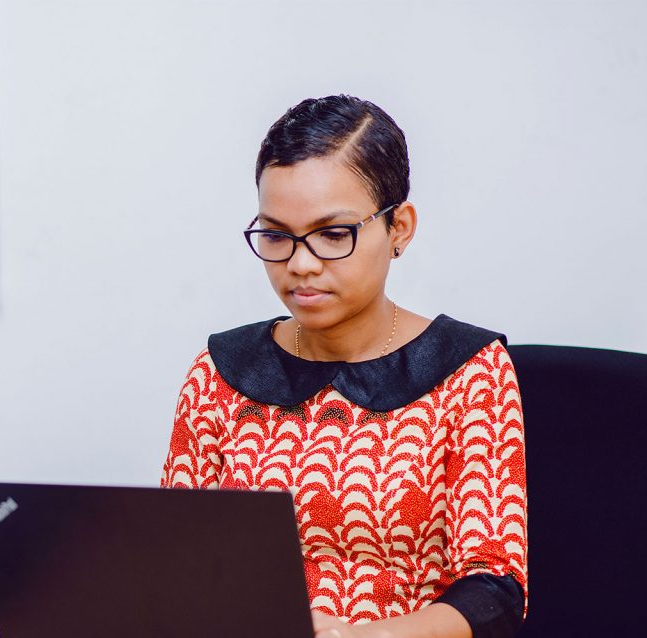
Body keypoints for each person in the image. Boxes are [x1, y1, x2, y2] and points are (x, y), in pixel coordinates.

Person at [160, 95, 527, 638]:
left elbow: (493, 590)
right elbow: (175, 560)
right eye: (277, 236)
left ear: (399, 227)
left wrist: (357, 636)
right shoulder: (221, 371)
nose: (301, 264)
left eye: (334, 234)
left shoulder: (469, 371)